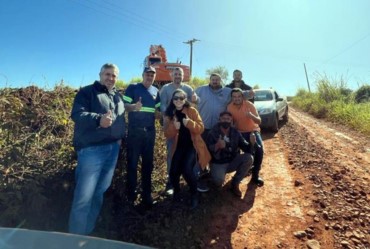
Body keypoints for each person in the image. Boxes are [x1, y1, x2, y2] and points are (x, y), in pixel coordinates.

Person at [68, 63, 125, 235]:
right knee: (84, 198)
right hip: (92, 151)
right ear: (100, 74)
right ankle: (74, 240)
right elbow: (77, 114)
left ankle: (87, 234)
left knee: (99, 193)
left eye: (114, 75)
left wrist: (120, 137)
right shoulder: (87, 92)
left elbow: (121, 118)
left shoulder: (117, 96)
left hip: (113, 150)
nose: (110, 78)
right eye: (107, 74)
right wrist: (98, 119)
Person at [163, 89, 210, 209]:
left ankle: (194, 194)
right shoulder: (169, 113)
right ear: (172, 100)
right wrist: (174, 126)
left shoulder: (192, 110)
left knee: (187, 170)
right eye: (176, 98)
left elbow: (201, 128)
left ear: (185, 100)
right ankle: (177, 193)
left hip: (192, 146)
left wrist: (189, 123)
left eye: (181, 98)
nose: (178, 100)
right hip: (178, 146)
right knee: (173, 172)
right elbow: (167, 135)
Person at [122, 66, 160, 209]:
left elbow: (158, 110)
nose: (150, 77)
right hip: (134, 132)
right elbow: (124, 106)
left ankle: (146, 195)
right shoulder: (133, 87)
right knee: (132, 164)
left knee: (148, 165)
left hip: (150, 133)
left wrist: (160, 115)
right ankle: (130, 196)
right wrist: (133, 107)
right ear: (142, 74)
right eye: (147, 74)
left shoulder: (156, 91)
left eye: (152, 75)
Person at [160, 67, 198, 195]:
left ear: (183, 76)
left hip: (187, 127)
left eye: (180, 74)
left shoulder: (188, 88)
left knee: (190, 154)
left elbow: (193, 104)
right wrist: (170, 117)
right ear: (171, 75)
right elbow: (163, 105)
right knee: (172, 154)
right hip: (173, 125)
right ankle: (171, 182)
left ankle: (190, 180)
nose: (177, 76)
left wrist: (195, 100)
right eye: (175, 74)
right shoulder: (165, 89)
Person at [206, 111, 254, 197]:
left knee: (249, 158)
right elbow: (207, 150)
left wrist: (251, 143)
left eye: (228, 119)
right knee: (218, 182)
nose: (225, 121)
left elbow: (246, 147)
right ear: (219, 119)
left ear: (231, 120)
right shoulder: (213, 132)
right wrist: (217, 146)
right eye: (223, 118)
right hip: (218, 163)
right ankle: (212, 175)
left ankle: (235, 183)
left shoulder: (235, 132)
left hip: (232, 161)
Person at [227, 88, 264, 186]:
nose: (237, 98)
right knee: (238, 152)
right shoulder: (229, 107)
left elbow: (259, 121)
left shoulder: (249, 105)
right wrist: (232, 127)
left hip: (252, 131)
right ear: (231, 98)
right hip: (239, 132)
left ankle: (255, 176)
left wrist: (251, 116)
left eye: (239, 96)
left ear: (242, 97)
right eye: (234, 97)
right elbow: (230, 123)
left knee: (259, 150)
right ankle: (239, 176)